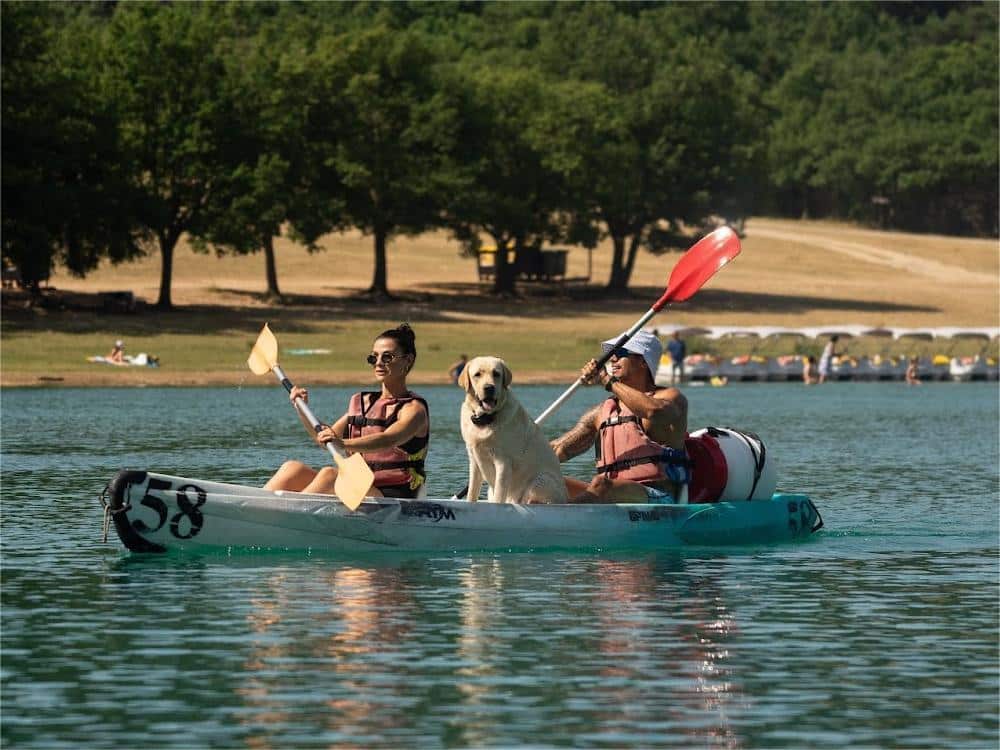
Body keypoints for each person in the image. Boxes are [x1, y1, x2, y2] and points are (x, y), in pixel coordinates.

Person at [264, 324, 430, 498]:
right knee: (292, 469)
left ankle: (287, 511)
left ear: (408, 360)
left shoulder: (414, 409)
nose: (379, 363)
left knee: (330, 475)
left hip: (394, 498)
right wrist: (301, 408)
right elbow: (326, 439)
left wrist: (343, 444)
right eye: (373, 357)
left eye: (387, 357)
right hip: (359, 490)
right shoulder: (363, 403)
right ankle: (259, 507)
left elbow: (388, 439)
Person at [550, 330, 690, 504]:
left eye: (621, 353)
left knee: (601, 484)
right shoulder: (601, 412)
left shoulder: (670, 398)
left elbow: (654, 412)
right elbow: (558, 449)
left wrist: (606, 380)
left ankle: (567, 515)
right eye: (612, 354)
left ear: (643, 361)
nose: (613, 358)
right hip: (609, 495)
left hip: (659, 498)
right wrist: (523, 459)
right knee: (547, 481)